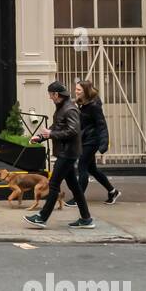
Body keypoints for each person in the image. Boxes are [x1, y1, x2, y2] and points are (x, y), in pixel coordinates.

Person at [24, 81, 94, 229]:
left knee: (54, 184)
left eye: (50, 94)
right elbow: (57, 127)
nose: (50, 97)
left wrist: (51, 133)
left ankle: (42, 217)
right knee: (74, 186)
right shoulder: (62, 108)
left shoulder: (70, 109)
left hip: (68, 153)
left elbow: (73, 130)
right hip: (66, 151)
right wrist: (42, 137)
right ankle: (86, 219)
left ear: (56, 94)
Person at [68, 78, 120, 207]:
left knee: (82, 167)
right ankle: (112, 191)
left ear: (85, 91)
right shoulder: (81, 103)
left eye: (78, 89)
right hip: (85, 139)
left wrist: (104, 143)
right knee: (92, 169)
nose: (76, 91)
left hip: (92, 141)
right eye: (76, 89)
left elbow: (101, 125)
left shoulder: (94, 106)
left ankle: (78, 198)